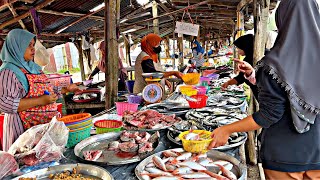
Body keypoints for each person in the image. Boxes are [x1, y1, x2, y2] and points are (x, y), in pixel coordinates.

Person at [208, 0, 320, 179]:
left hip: (283, 159)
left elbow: (269, 114)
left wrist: (227, 129)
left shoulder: (275, 64)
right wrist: (253, 77)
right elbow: (285, 98)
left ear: (282, 18)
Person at [0, 29, 79, 151]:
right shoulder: (8, 71)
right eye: (28, 45)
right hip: (21, 128)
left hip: (40, 129)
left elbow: (45, 90)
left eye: (33, 45)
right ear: (16, 46)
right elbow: (6, 104)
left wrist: (65, 89)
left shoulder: (34, 68)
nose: (33, 49)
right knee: (24, 161)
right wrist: (40, 101)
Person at [221, 34, 259, 100]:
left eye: (239, 48)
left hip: (264, 94)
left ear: (245, 47)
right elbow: (241, 77)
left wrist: (228, 83)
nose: (237, 50)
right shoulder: (250, 56)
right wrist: (228, 83)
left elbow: (240, 78)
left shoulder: (251, 59)